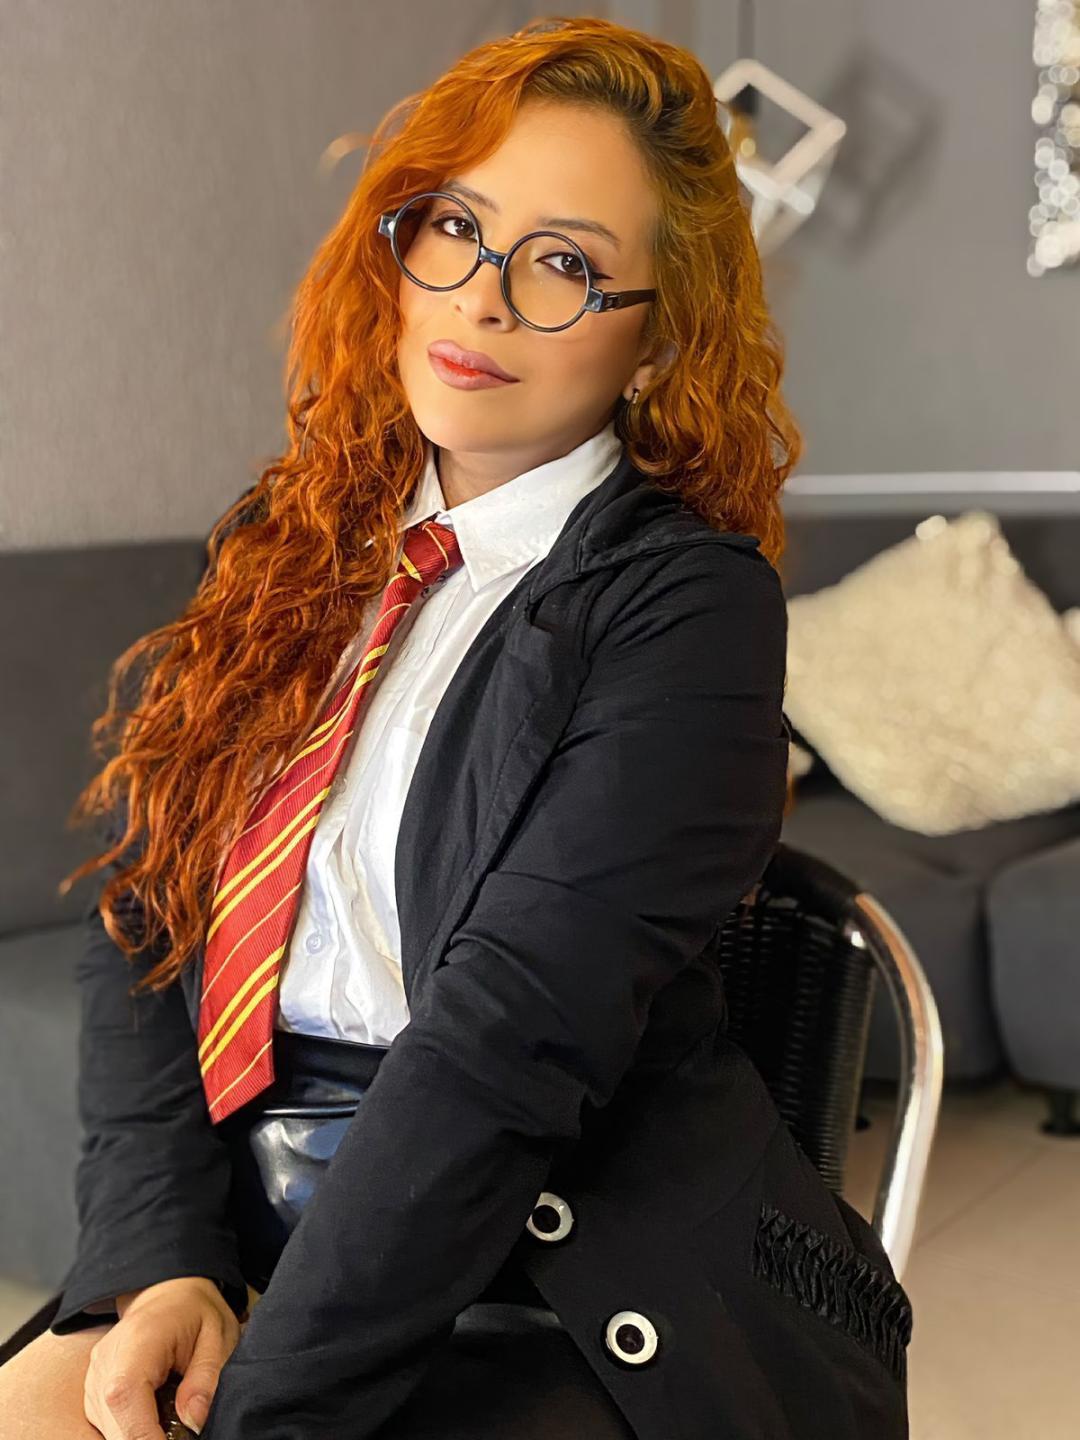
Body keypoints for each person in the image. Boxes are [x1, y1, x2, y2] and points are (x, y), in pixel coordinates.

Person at [0, 15, 913, 1439]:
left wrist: (267, 1414)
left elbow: (504, 1050)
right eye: (456, 228)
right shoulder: (285, 545)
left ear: (658, 334)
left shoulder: (689, 606)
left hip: (546, 1265)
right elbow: (146, 922)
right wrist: (158, 1260)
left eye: (564, 265)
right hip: (248, 1225)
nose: (482, 299)